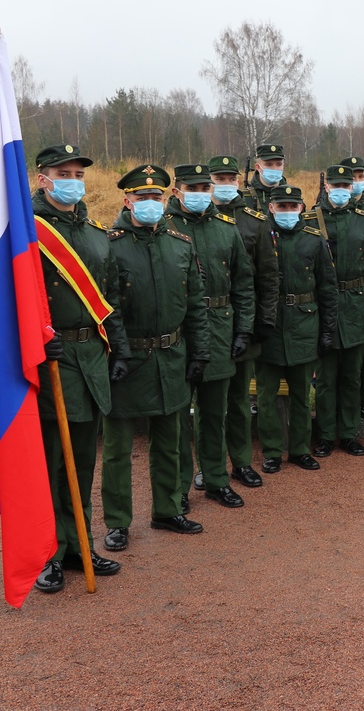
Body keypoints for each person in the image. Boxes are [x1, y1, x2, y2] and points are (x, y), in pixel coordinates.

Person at [31, 144, 129, 591]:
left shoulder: (93, 233)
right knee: (52, 463)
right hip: (50, 362)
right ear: (41, 179)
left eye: (77, 173)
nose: (72, 179)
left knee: (83, 462)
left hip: (92, 357)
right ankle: (48, 554)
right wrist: (33, 345)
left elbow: (107, 301)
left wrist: (120, 349)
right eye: (62, 172)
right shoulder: (25, 233)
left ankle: (78, 547)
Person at [100, 165, 211, 551]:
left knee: (170, 439)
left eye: (157, 197)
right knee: (117, 448)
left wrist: (200, 351)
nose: (151, 203)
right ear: (127, 200)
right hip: (128, 360)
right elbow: (106, 307)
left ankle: (166, 509)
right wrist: (117, 353)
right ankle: (117, 521)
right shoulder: (109, 245)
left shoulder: (180, 243)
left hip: (172, 356)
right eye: (142, 197)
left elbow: (195, 304)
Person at [165, 164, 255, 512]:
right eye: (194, 187)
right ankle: (179, 487)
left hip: (220, 326)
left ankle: (216, 479)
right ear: (177, 191)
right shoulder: (164, 226)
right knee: (176, 417)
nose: (201, 193)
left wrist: (243, 328)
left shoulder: (226, 229)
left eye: (206, 187)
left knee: (214, 411)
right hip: (179, 330)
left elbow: (244, 284)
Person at [255, 185, 339, 474]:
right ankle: (272, 451)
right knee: (267, 396)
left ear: (302, 209)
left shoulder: (314, 240)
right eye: (282, 207)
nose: (287, 212)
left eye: (293, 207)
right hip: (270, 324)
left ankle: (300, 449)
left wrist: (328, 330)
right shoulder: (261, 238)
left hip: (305, 323)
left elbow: (328, 288)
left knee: (302, 395)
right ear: (271, 208)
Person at [207, 155, 278, 490]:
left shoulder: (254, 220)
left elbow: (267, 275)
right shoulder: (193, 220)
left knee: (237, 399)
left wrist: (262, 321)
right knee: (208, 403)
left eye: (229, 178)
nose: (224, 183)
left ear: (238, 180)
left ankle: (241, 462)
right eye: (218, 178)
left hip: (244, 321)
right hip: (206, 322)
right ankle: (210, 465)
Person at [307, 165, 364, 458]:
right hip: (323, 306)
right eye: (336, 185)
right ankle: (326, 434)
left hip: (356, 305)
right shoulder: (311, 219)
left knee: (353, 376)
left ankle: (349, 433)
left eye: (347, 184)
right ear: (327, 187)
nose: (342, 190)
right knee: (326, 376)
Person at [244, 143, 287, 211]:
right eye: (269, 165)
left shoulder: (291, 196)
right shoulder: (245, 198)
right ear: (258, 167)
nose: (275, 169)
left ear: (283, 166)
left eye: (279, 164)